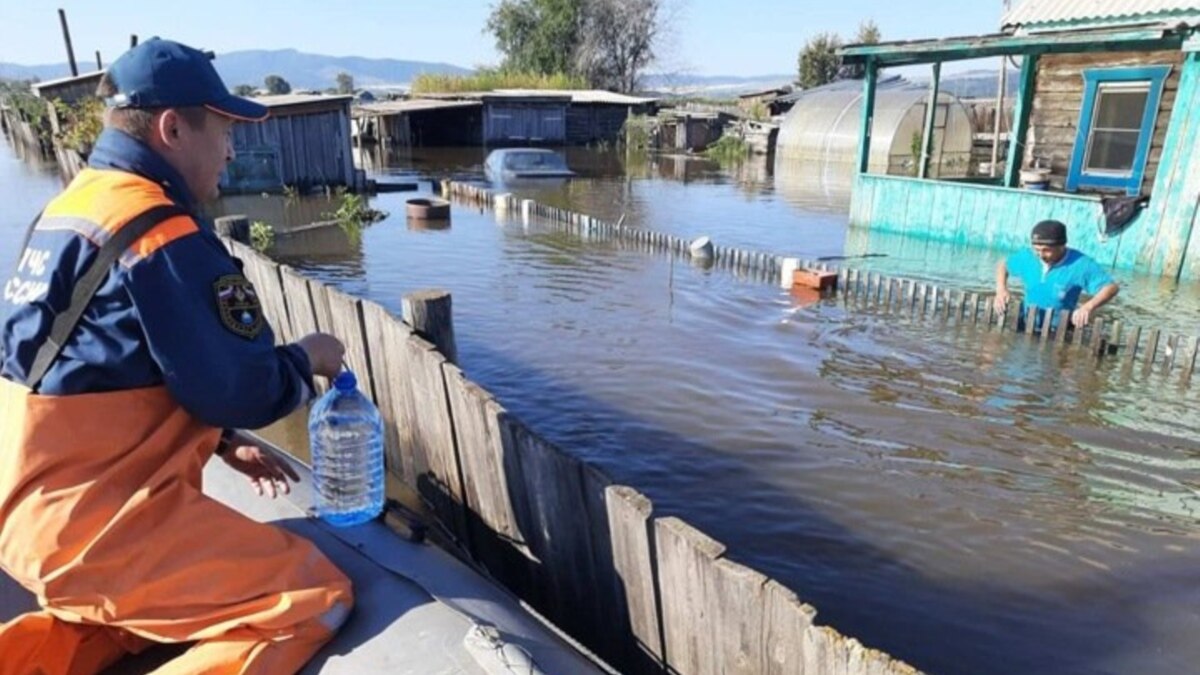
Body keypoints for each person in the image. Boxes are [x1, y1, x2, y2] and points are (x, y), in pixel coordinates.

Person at [0, 38, 353, 674]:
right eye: (222, 129)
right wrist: (310, 358)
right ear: (172, 129)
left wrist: (217, 443)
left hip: (31, 517)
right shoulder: (161, 233)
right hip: (98, 532)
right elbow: (243, 386)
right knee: (312, 599)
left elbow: (84, 369)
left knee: (125, 623)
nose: (231, 150)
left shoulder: (67, 210)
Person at [993, 219, 1119, 328]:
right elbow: (1003, 264)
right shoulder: (1028, 257)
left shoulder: (1080, 264)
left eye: (1046, 250)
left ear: (1062, 246)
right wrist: (1001, 289)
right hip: (1025, 324)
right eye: (1037, 250)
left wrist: (1088, 307)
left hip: (1058, 330)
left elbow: (1111, 287)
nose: (1041, 255)